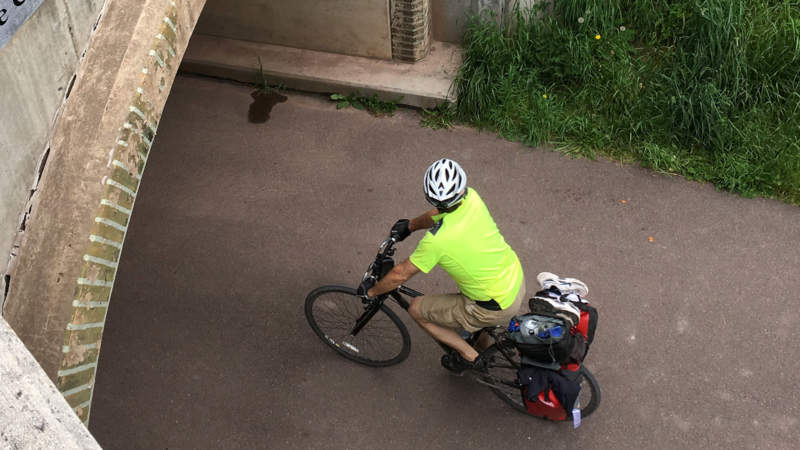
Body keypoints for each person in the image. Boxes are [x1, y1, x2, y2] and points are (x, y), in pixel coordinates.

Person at [358, 158, 526, 373]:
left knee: (417, 309)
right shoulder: (472, 198)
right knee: (473, 295)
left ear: (430, 197)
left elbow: (400, 275)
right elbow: (440, 214)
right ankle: (482, 344)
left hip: (493, 305)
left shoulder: (437, 242)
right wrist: (410, 226)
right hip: (513, 278)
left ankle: (470, 356)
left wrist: (371, 292)